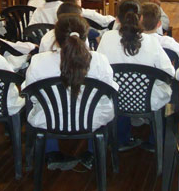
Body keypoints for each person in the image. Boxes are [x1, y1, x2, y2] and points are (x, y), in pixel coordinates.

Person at [23, 14, 118, 170]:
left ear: (56, 37)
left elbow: (32, 96)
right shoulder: (100, 60)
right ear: (86, 36)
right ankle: (92, 153)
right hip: (91, 119)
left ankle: (51, 152)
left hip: (49, 120)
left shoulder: (38, 61)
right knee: (101, 105)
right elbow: (108, 92)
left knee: (43, 106)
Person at [97, 0, 174, 150]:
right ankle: (154, 141)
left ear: (117, 19)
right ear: (141, 18)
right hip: (147, 99)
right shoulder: (152, 41)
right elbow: (169, 72)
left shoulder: (107, 38)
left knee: (119, 90)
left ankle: (120, 139)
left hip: (116, 98)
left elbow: (100, 68)